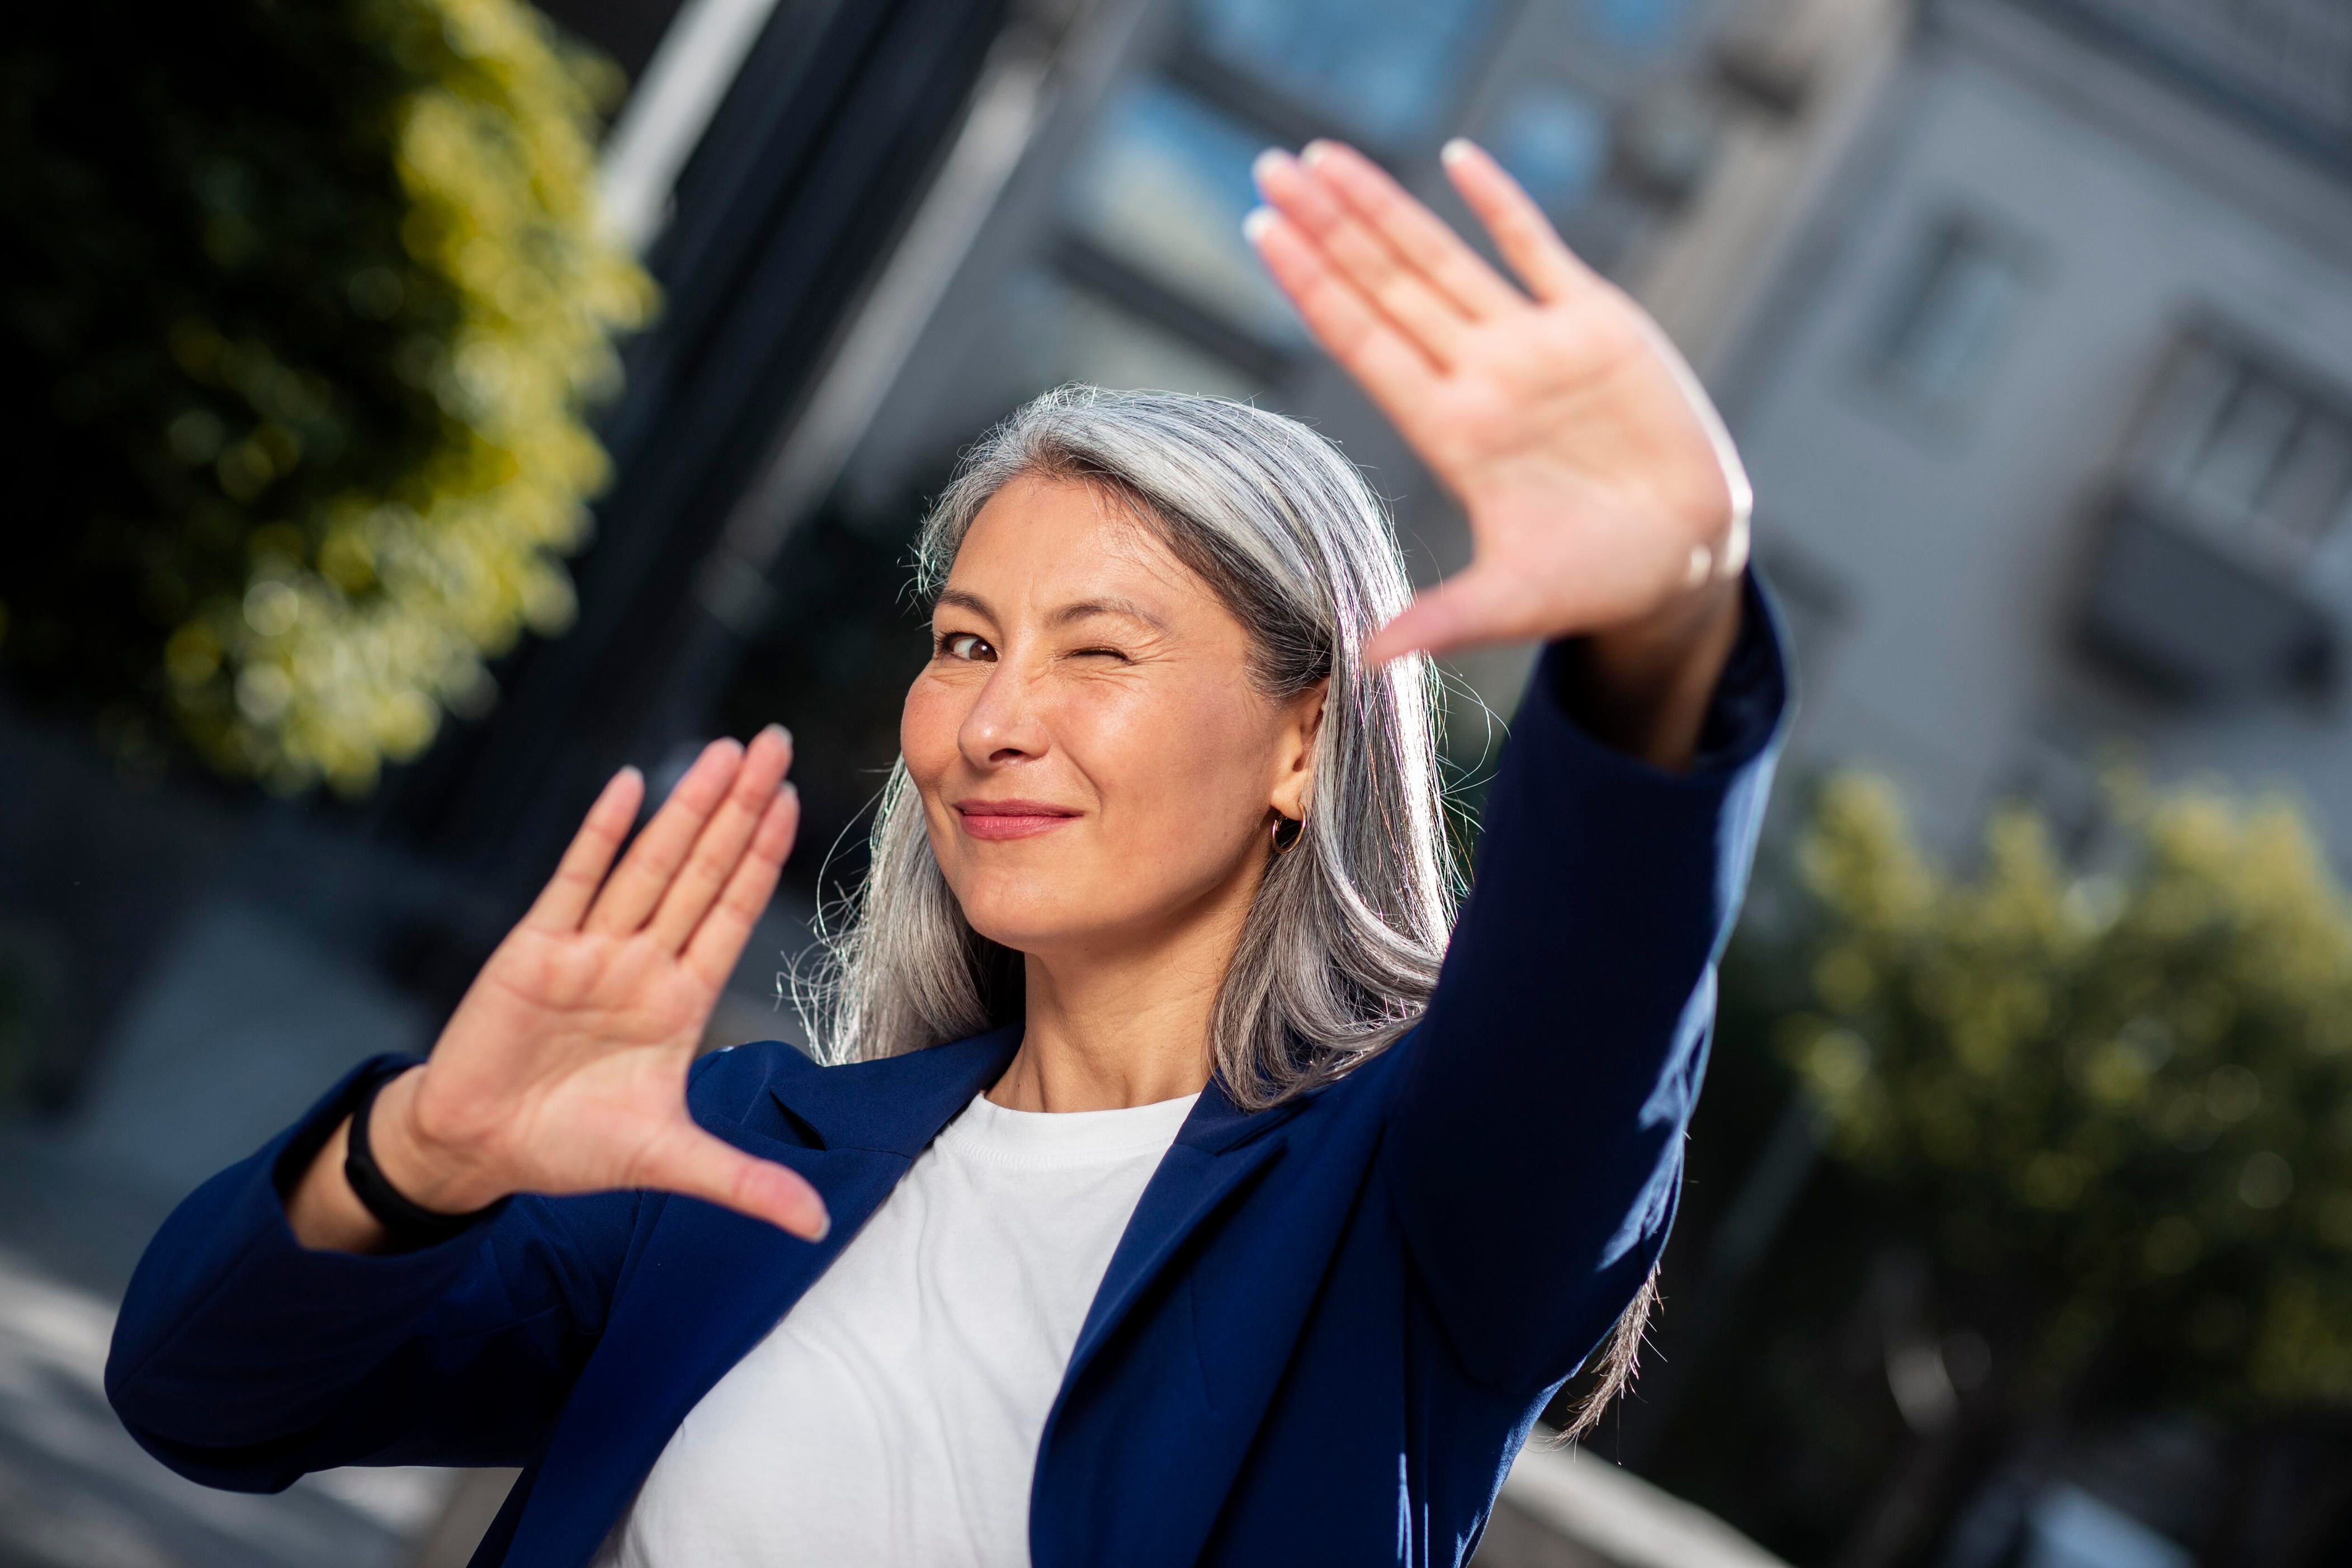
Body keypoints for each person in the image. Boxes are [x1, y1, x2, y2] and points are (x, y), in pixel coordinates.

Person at [104, 138, 1788, 1567]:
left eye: (1098, 651)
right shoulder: (745, 1150)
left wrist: (1664, 617)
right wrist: (420, 1152)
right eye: (969, 642)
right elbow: (207, 1394)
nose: (990, 720)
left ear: (1304, 740)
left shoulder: (1406, 1210)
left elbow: (1600, 977)